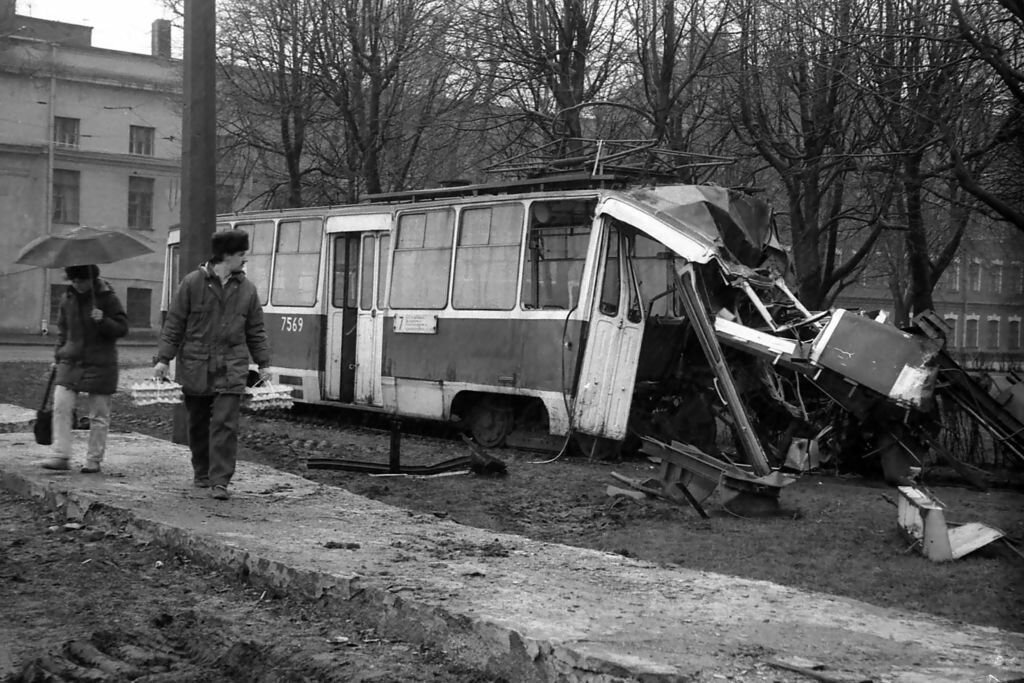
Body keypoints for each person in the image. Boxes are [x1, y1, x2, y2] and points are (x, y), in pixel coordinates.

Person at [153, 230, 271, 500]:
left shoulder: (247, 290)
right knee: (197, 423)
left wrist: (264, 363)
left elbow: (256, 330)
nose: (245, 260)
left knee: (225, 423)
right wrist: (163, 360)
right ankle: (202, 472)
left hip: (231, 366)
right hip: (197, 366)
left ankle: (220, 481)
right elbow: (174, 324)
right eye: (242, 255)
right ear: (227, 256)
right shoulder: (192, 284)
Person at [41, 264, 129, 473]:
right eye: (73, 281)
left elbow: (122, 328)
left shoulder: (108, 298)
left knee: (98, 413)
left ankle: (94, 459)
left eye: (80, 280)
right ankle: (61, 455)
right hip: (70, 360)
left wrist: (104, 320)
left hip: (101, 362)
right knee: (61, 406)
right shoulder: (67, 299)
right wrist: (57, 357)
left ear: (91, 279)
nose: (77, 284)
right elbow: (63, 331)